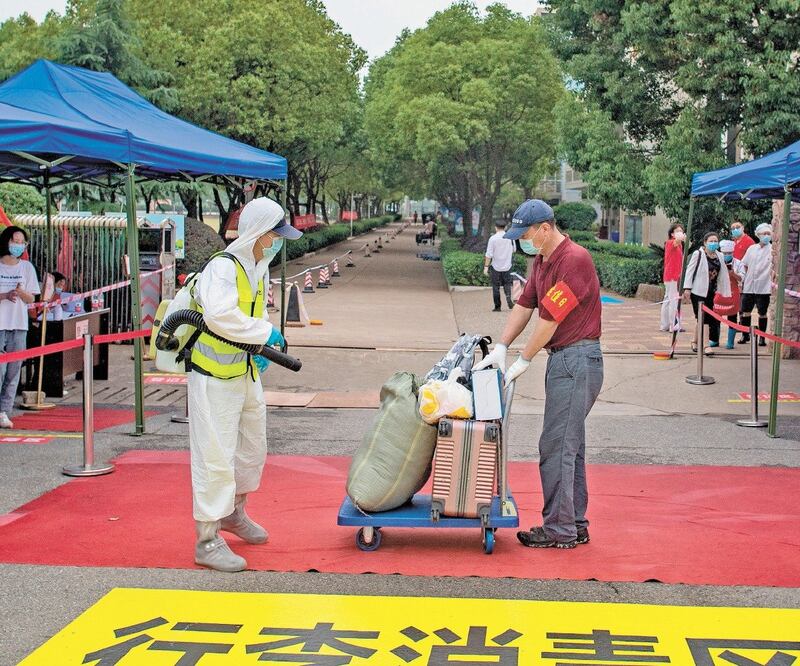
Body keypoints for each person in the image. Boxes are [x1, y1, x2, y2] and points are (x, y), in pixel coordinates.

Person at [474, 199, 603, 549]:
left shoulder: (574, 259)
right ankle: (574, 524)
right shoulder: (542, 260)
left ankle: (559, 530)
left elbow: (550, 319)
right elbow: (525, 305)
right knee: (570, 447)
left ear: (545, 229)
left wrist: (524, 358)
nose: (522, 241)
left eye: (526, 234)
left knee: (556, 446)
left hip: (577, 359)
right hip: (564, 360)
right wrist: (501, 346)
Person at [189, 197, 302, 572]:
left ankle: (234, 513)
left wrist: (261, 347)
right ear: (257, 232)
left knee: (252, 448)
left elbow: (254, 314)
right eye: (274, 235)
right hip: (213, 376)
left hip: (244, 371)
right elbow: (221, 316)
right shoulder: (222, 268)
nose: (277, 242)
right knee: (215, 455)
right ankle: (207, 539)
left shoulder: (258, 267)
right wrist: (263, 331)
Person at [0, 226, 40, 429]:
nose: (18, 245)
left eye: (22, 242)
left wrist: (21, 293)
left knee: (13, 372)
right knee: (0, 370)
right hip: (0, 325)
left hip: (18, 326)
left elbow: (32, 298)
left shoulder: (26, 268)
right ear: (6, 241)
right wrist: (4, 296)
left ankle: (4, 412)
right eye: (15, 240)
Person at [683, 231, 731, 355]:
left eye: (716, 241)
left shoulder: (719, 256)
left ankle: (694, 341)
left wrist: (723, 290)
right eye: (711, 241)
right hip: (698, 291)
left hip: (711, 292)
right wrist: (687, 288)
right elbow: (690, 271)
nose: (713, 243)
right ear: (705, 242)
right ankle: (705, 345)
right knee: (704, 318)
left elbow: (723, 274)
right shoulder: (698, 254)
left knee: (702, 318)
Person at [738, 222, 773, 347]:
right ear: (758, 235)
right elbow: (744, 264)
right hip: (749, 285)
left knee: (762, 312)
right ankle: (745, 334)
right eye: (764, 233)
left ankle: (762, 337)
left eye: (768, 233)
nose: (766, 235)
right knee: (745, 311)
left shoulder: (772, 250)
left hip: (764, 286)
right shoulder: (752, 249)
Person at [715, 240, 743, 349]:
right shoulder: (717, 261)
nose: (727, 255)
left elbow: (742, 278)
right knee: (716, 317)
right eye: (725, 253)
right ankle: (714, 340)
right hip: (719, 293)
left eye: (729, 253)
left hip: (733, 294)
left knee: (732, 317)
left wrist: (733, 274)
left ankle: (730, 342)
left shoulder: (738, 263)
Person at [483, 219, 516, 312]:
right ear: (505, 227)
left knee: (495, 286)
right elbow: (514, 250)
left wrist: (486, 267)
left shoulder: (492, 239)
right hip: (507, 266)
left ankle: (497, 307)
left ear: (495, 228)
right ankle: (509, 298)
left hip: (495, 266)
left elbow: (489, 254)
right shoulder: (510, 238)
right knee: (507, 284)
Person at [660, 224, 684, 332]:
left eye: (681, 231)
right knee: (672, 300)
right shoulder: (670, 243)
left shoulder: (680, 245)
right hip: (671, 275)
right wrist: (682, 237)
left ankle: (664, 324)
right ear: (672, 234)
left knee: (668, 299)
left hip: (675, 274)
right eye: (677, 231)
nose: (680, 232)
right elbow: (677, 241)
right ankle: (672, 324)